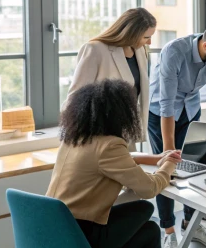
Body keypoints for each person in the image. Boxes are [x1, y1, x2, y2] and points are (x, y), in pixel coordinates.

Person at [46, 80, 182, 248]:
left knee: (149, 226)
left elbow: (114, 161)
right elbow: (149, 188)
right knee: (145, 212)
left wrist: (156, 159)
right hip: (81, 242)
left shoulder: (73, 140)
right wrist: (170, 164)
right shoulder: (109, 146)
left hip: (51, 234)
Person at [148, 25, 206, 248]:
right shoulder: (174, 52)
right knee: (165, 172)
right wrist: (168, 151)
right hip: (160, 114)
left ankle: (191, 223)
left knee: (196, 167)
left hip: (190, 111)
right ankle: (168, 231)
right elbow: (167, 103)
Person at [66, 8, 156, 148]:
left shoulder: (140, 50)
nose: (149, 42)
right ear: (131, 33)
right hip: (100, 133)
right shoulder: (95, 49)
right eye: (146, 37)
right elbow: (76, 96)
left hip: (127, 128)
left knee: (129, 168)